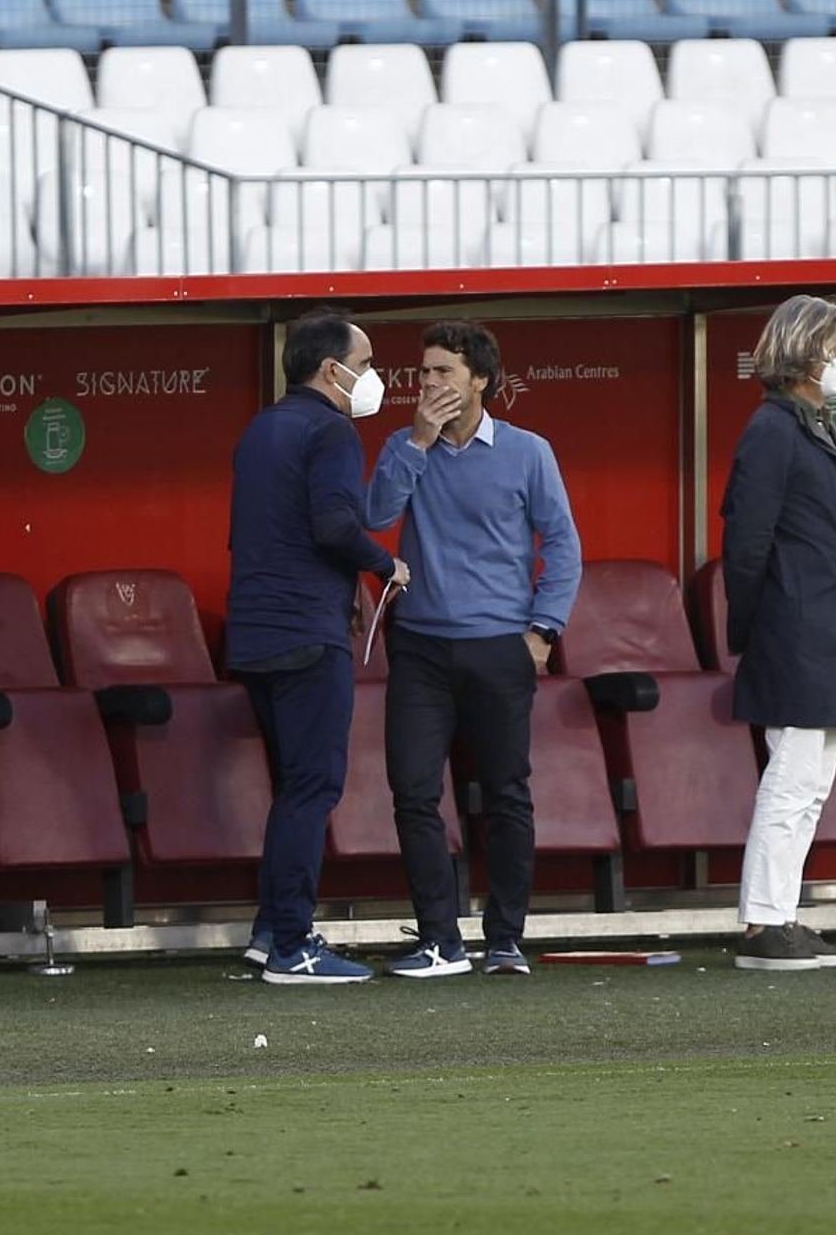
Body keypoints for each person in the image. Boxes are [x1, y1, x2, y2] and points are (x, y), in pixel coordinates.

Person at [364, 321, 581, 979]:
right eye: (424, 372)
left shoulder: (528, 452)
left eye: (444, 372)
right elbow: (375, 517)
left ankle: (505, 938)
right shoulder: (403, 445)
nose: (429, 384)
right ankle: (440, 940)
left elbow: (562, 545)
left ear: (481, 380)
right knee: (412, 791)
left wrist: (543, 633)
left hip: (499, 648)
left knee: (506, 793)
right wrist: (419, 442)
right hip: (421, 648)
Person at [225, 308, 409, 985]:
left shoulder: (262, 427)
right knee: (312, 786)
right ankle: (293, 944)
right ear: (332, 370)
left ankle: (270, 931)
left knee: (292, 786)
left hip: (255, 632)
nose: (373, 376)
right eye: (364, 365)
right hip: (306, 634)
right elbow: (334, 525)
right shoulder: (332, 429)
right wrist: (386, 565)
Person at [719, 294, 836, 973]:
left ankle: (782, 915)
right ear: (805, 350)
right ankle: (764, 921)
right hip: (795, 633)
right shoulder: (773, 428)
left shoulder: (811, 424)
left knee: (811, 784)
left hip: (827, 635)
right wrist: (753, 628)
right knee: (791, 779)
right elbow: (747, 544)